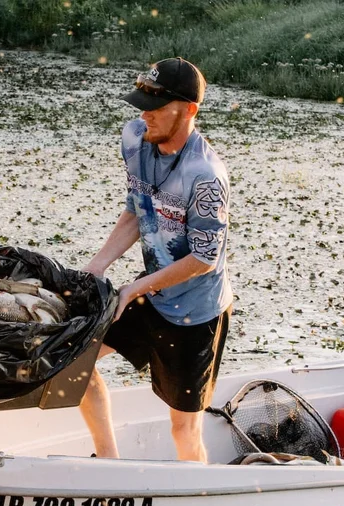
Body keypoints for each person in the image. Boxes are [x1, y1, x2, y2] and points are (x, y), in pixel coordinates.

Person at [80, 58, 233, 463]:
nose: (143, 113)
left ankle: (199, 497)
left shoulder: (206, 176)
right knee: (77, 360)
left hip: (196, 313)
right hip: (151, 290)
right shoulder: (135, 137)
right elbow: (137, 209)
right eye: (142, 103)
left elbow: (203, 258)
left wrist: (133, 288)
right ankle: (109, 463)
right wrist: (98, 266)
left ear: (188, 110)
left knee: (183, 429)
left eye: (156, 106)